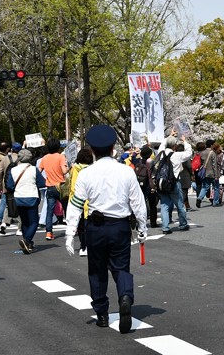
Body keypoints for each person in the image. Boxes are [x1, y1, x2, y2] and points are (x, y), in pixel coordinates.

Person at [65, 124, 147, 334]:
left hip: (96, 227)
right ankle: (126, 296)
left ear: (92, 150)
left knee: (97, 271)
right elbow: (138, 202)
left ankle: (102, 313)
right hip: (120, 226)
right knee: (121, 268)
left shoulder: (86, 174)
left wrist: (70, 233)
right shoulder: (126, 171)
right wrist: (142, 228)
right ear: (113, 149)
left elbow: (75, 205)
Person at [5, 149, 46, 254]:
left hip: (19, 197)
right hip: (32, 197)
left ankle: (28, 243)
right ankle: (26, 240)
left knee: (25, 221)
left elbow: (9, 186)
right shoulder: (33, 169)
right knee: (34, 222)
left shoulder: (13, 170)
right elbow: (42, 183)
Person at [153, 134, 192, 233]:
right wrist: (185, 141)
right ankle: (183, 224)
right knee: (180, 204)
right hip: (174, 183)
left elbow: (162, 144)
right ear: (174, 146)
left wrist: (169, 136)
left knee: (164, 205)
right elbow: (189, 153)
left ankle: (165, 227)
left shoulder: (161, 153)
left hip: (161, 182)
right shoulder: (177, 155)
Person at [38, 138, 69, 240]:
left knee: (49, 210)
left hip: (49, 186)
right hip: (60, 186)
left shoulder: (45, 158)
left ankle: (49, 232)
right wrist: (70, 166)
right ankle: (70, 229)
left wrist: (44, 179)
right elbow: (64, 171)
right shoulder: (60, 157)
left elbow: (38, 171)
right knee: (66, 208)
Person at [68, 148, 94, 256]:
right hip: (90, 201)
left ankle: (83, 246)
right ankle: (89, 246)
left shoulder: (74, 169)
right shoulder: (92, 169)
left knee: (80, 226)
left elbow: (73, 186)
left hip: (77, 200)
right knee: (89, 225)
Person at [0, 142, 22, 236]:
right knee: (19, 205)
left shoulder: (5, 159)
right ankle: (19, 228)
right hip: (18, 185)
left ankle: (4, 223)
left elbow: (0, 173)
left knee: (9, 204)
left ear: (11, 149)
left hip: (7, 185)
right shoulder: (21, 159)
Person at [195, 140, 219, 208]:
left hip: (205, 173)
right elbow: (214, 165)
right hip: (212, 173)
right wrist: (216, 175)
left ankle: (199, 198)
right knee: (216, 188)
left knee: (204, 187)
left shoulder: (202, 153)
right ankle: (215, 202)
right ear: (211, 145)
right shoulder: (212, 153)